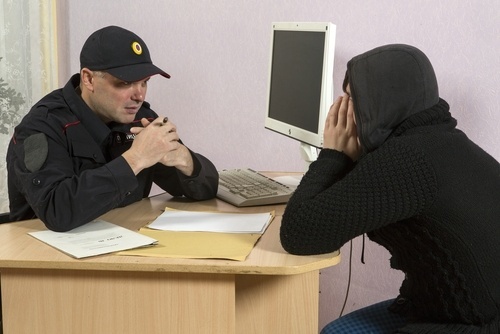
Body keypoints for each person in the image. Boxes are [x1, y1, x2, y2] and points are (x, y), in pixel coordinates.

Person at [280, 44, 500, 333]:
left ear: (382, 103)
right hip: (442, 308)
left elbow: (298, 234)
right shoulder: (436, 139)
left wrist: (333, 154)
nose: (342, 109)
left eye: (351, 99)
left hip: (466, 326)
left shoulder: (407, 161)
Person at [6, 26, 219, 232]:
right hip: (41, 259)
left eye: (144, 82)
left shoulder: (140, 118)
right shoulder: (41, 127)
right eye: (125, 83)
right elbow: (57, 211)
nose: (139, 95)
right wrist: (136, 158)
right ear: (88, 79)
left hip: (121, 245)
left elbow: (206, 188)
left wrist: (184, 159)